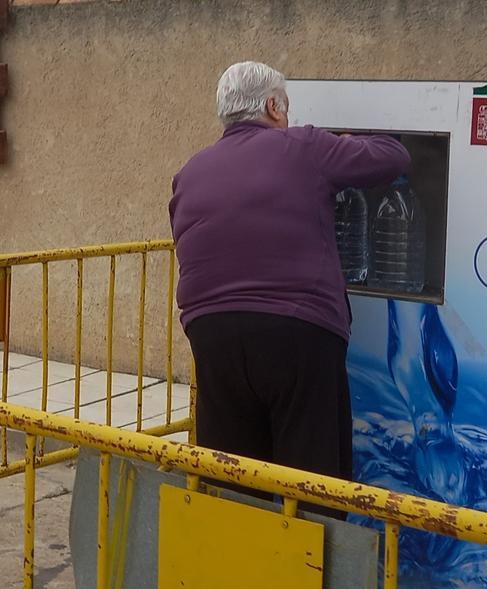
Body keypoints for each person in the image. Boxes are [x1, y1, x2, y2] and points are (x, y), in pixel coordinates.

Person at [169, 61, 410, 514]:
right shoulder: (304, 146)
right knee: (313, 484)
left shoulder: (190, 171)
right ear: (273, 106)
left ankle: (238, 575)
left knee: (234, 478)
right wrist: (340, 145)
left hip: (212, 335)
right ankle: (315, 578)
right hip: (297, 333)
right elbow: (394, 157)